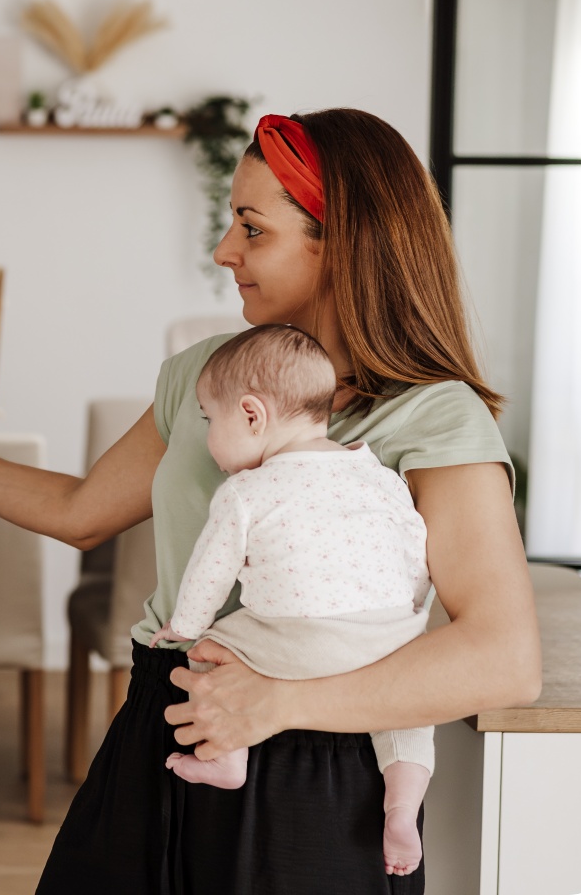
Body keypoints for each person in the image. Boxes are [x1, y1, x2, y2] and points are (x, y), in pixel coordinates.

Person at [0, 109, 540, 894]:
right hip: (161, 723)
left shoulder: (434, 416)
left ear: (343, 242)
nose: (223, 251)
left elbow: (505, 657)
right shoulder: (209, 375)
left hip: (319, 768)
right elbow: (81, 510)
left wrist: (274, 703)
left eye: (252, 228)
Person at [146, 322, 433, 877]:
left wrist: (185, 626)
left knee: (215, 649)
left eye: (210, 419)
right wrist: (406, 612)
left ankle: (227, 758)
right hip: (386, 636)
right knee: (408, 717)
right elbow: (414, 543)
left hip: (295, 644)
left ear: (252, 415)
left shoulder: (245, 491)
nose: (207, 436)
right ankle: (402, 807)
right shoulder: (375, 472)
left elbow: (211, 571)